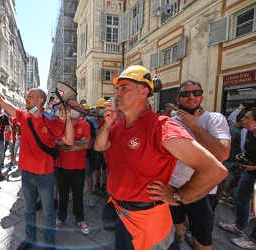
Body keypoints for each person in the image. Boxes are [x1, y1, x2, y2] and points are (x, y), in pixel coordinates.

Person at [94, 65, 228, 249]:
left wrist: (178, 197)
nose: (117, 93)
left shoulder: (161, 126)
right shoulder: (118, 125)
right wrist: (108, 123)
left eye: (124, 88)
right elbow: (100, 146)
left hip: (149, 220)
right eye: (117, 89)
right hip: (122, 214)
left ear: (143, 92)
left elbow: (215, 170)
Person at [0, 63, 74, 250]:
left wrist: (68, 118)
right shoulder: (24, 116)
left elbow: (70, 141)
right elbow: (0, 98)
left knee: (48, 212)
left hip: (46, 175)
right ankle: (30, 238)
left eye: (30, 97)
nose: (26, 99)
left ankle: (49, 242)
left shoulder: (52, 121)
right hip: (27, 173)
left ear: (40, 101)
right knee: (28, 210)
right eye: (26, 96)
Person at [168, 80, 231, 248]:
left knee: (201, 239)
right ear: (178, 99)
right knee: (176, 229)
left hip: (202, 190)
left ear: (202, 97)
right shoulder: (171, 121)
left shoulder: (214, 119)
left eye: (196, 93)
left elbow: (222, 154)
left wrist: (195, 126)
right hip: (173, 185)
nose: (191, 97)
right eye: (185, 94)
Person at [219, 107, 256, 249]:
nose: (242, 119)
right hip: (248, 174)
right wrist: (242, 156)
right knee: (240, 198)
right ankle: (240, 227)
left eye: (247, 118)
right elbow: (248, 150)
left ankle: (253, 241)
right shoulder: (249, 133)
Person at [55, 99, 91, 235]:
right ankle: (61, 217)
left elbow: (87, 145)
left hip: (78, 167)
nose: (76, 109)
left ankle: (80, 219)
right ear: (66, 109)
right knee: (63, 195)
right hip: (62, 166)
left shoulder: (85, 124)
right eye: (72, 107)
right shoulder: (60, 124)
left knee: (78, 195)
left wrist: (68, 144)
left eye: (77, 107)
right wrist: (77, 144)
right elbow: (57, 144)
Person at [218, 111, 245, 208]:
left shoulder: (237, 130)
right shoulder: (234, 130)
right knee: (224, 178)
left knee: (236, 176)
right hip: (229, 159)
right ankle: (221, 196)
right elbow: (227, 144)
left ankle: (225, 194)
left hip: (231, 159)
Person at [79, 104, 96, 207]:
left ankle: (90, 195)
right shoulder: (73, 121)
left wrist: (87, 148)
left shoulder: (89, 123)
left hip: (85, 155)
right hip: (76, 155)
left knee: (88, 174)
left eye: (80, 109)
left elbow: (92, 138)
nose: (78, 111)